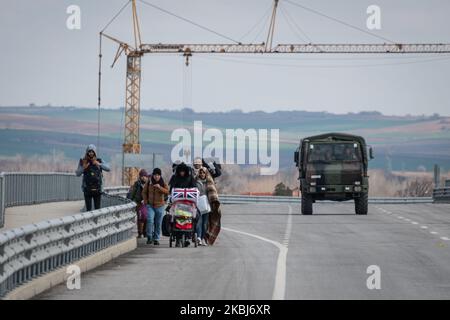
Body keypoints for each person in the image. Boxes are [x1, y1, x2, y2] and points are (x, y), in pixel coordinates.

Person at [168, 162, 197, 247]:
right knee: (174, 218)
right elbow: (171, 190)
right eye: (180, 171)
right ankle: (178, 238)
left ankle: (188, 236)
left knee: (193, 217)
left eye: (183, 171)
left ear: (186, 171)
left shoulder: (190, 178)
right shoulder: (174, 178)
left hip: (188, 203)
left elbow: (194, 188)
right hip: (177, 203)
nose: (182, 173)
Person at [75, 144, 110, 211]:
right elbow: (77, 173)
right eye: (89, 151)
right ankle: (90, 221)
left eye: (92, 152)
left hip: (97, 189)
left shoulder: (99, 160)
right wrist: (83, 168)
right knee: (88, 210)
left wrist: (99, 164)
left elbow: (108, 168)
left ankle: (96, 221)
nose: (91, 153)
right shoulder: (83, 161)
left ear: (95, 152)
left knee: (97, 209)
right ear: (87, 152)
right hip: (87, 189)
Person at [142, 168, 169, 245]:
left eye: (158, 175)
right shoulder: (149, 182)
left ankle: (156, 238)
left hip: (160, 206)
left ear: (160, 176)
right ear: (153, 175)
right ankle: (149, 236)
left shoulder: (163, 182)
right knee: (150, 220)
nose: (156, 177)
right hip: (150, 205)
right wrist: (146, 201)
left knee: (158, 223)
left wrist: (159, 187)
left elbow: (167, 191)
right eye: (155, 175)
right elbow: (144, 192)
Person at [195, 167, 213, 246]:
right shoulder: (195, 182)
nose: (202, 174)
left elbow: (213, 192)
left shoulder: (209, 182)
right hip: (198, 204)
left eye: (203, 173)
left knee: (205, 223)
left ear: (206, 174)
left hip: (207, 204)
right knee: (199, 222)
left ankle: (203, 238)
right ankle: (198, 238)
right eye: (201, 173)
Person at [129, 169, 148, 238]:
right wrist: (131, 201)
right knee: (140, 218)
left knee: (146, 218)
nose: (143, 177)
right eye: (142, 176)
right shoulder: (137, 184)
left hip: (147, 203)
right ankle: (140, 232)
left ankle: (145, 232)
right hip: (139, 203)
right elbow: (132, 193)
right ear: (140, 177)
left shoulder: (149, 184)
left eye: (145, 176)